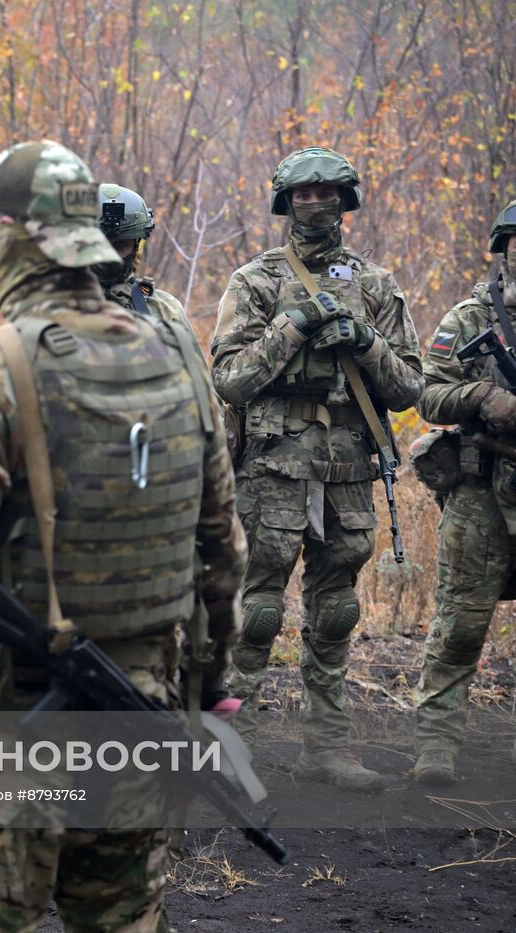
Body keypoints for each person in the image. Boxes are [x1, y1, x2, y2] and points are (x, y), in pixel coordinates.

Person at [0, 139, 245, 932]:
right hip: (140, 715)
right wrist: (206, 685)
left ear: (4, 241)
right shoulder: (175, 356)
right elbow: (223, 551)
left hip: (6, 722)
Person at [210, 147, 422, 789]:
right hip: (272, 471)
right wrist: (293, 327)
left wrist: (365, 341)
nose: (316, 204)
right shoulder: (256, 281)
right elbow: (230, 380)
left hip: (349, 473)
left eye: (328, 193)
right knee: (257, 615)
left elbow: (411, 387)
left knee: (335, 614)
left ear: (345, 201)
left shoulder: (377, 285)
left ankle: (325, 750)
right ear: (285, 202)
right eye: (303, 194)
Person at [411, 199, 516, 786]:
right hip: (481, 494)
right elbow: (427, 393)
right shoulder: (472, 316)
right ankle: (436, 745)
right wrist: (482, 398)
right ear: (504, 248)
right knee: (460, 624)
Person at [93, 182, 189, 328]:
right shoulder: (50, 307)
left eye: (121, 246)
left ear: (136, 246)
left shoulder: (165, 310)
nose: (111, 256)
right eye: (101, 245)